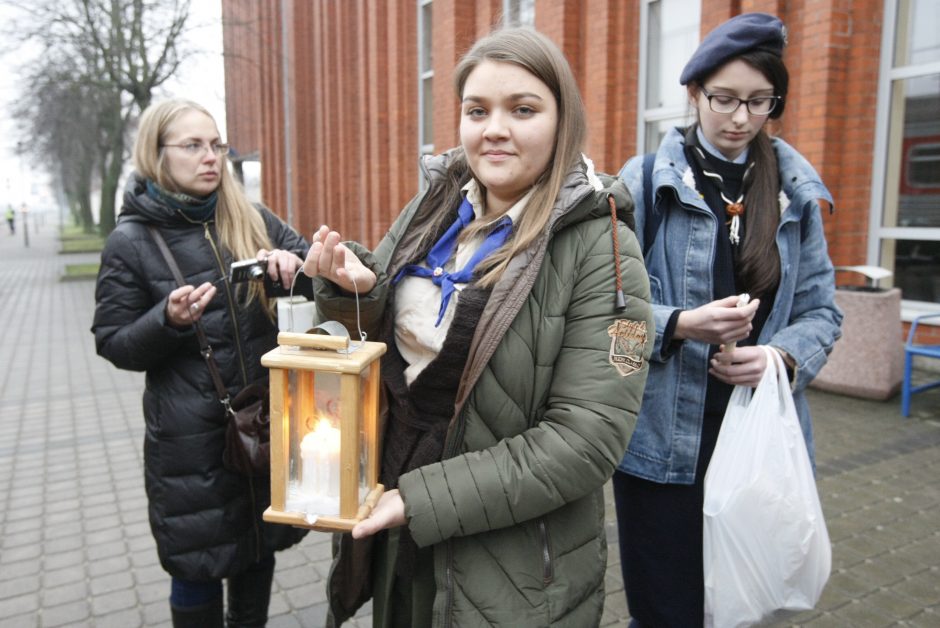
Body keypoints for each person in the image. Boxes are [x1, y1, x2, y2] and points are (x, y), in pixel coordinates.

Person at [303, 27, 653, 628]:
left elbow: (585, 441)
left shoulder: (604, 246)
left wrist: (419, 500)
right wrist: (355, 293)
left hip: (511, 558)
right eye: (477, 110)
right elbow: (377, 343)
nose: (495, 128)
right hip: (395, 508)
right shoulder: (434, 205)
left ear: (561, 120)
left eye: (522, 109)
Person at [612, 13, 844, 627]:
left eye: (759, 101)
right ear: (694, 94)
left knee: (743, 608)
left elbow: (823, 310)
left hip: (759, 438)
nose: (741, 118)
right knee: (667, 614)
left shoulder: (793, 191)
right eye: (724, 99)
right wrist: (679, 325)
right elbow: (602, 319)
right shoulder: (641, 184)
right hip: (661, 450)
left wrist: (778, 357)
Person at [92, 99, 308, 627]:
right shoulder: (131, 241)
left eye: (216, 144)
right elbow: (113, 341)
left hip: (261, 424)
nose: (210, 157)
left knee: (257, 549)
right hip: (190, 441)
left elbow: (314, 274)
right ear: (157, 154)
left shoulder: (250, 216)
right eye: (193, 145)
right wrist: (166, 319)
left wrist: (294, 269)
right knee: (197, 565)